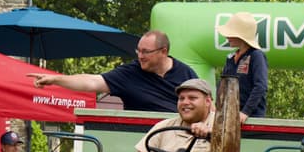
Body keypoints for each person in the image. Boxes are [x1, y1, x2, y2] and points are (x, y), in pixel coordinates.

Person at [28, 30, 197, 112]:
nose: (140, 56)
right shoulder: (129, 73)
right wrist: (55, 79)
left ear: (163, 51)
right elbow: (92, 82)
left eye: (146, 52)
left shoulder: (187, 74)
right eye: (138, 51)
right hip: (139, 143)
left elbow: (204, 107)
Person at [218, 12, 268, 122]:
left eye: (231, 33)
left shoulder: (256, 55)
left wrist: (246, 112)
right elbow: (223, 84)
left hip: (251, 118)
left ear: (242, 36)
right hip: (230, 115)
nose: (227, 37)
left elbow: (260, 86)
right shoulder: (231, 57)